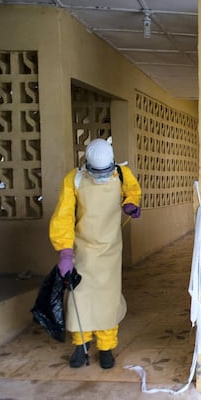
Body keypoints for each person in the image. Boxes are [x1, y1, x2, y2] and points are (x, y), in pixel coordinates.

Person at [49, 138, 142, 369]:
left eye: (106, 172)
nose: (101, 177)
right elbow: (64, 215)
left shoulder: (122, 174)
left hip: (110, 249)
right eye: (97, 173)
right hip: (82, 249)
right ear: (86, 165)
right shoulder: (74, 179)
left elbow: (132, 190)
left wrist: (131, 203)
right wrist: (65, 252)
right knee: (79, 297)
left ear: (113, 164)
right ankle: (80, 345)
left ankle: (106, 346)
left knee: (107, 300)